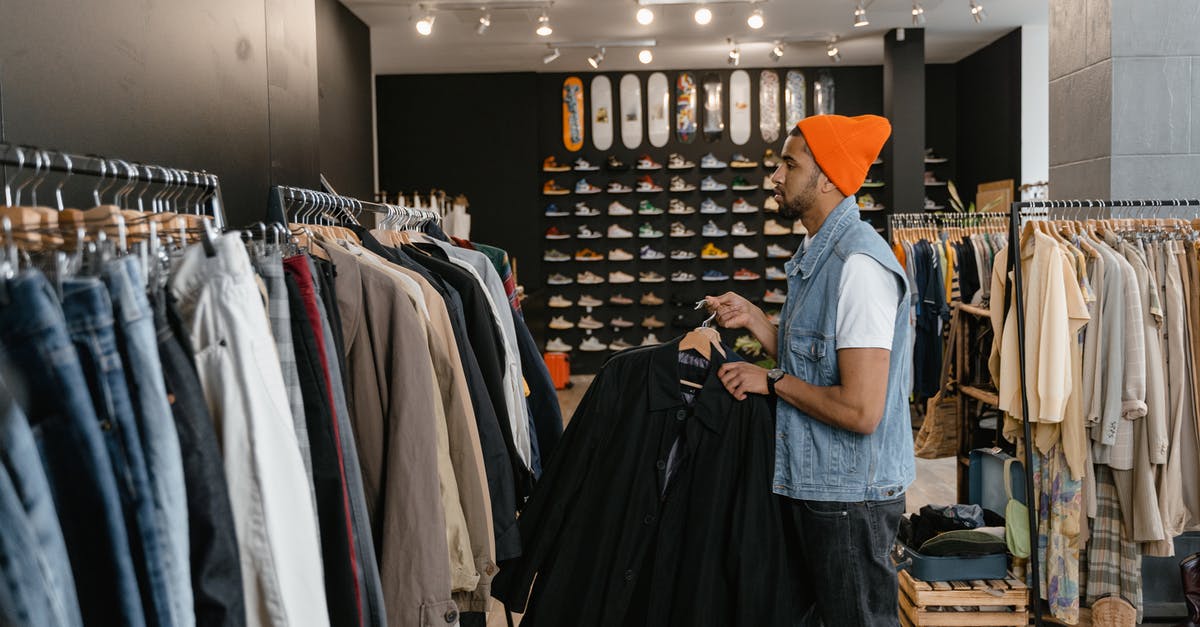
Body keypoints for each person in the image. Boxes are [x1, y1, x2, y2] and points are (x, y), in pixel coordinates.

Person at [705, 114, 915, 626]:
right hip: (822, 485)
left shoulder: (859, 267)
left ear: (827, 179)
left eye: (788, 164)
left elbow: (861, 410)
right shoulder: (817, 256)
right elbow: (820, 366)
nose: (774, 177)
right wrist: (755, 319)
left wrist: (771, 381)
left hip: (850, 499)